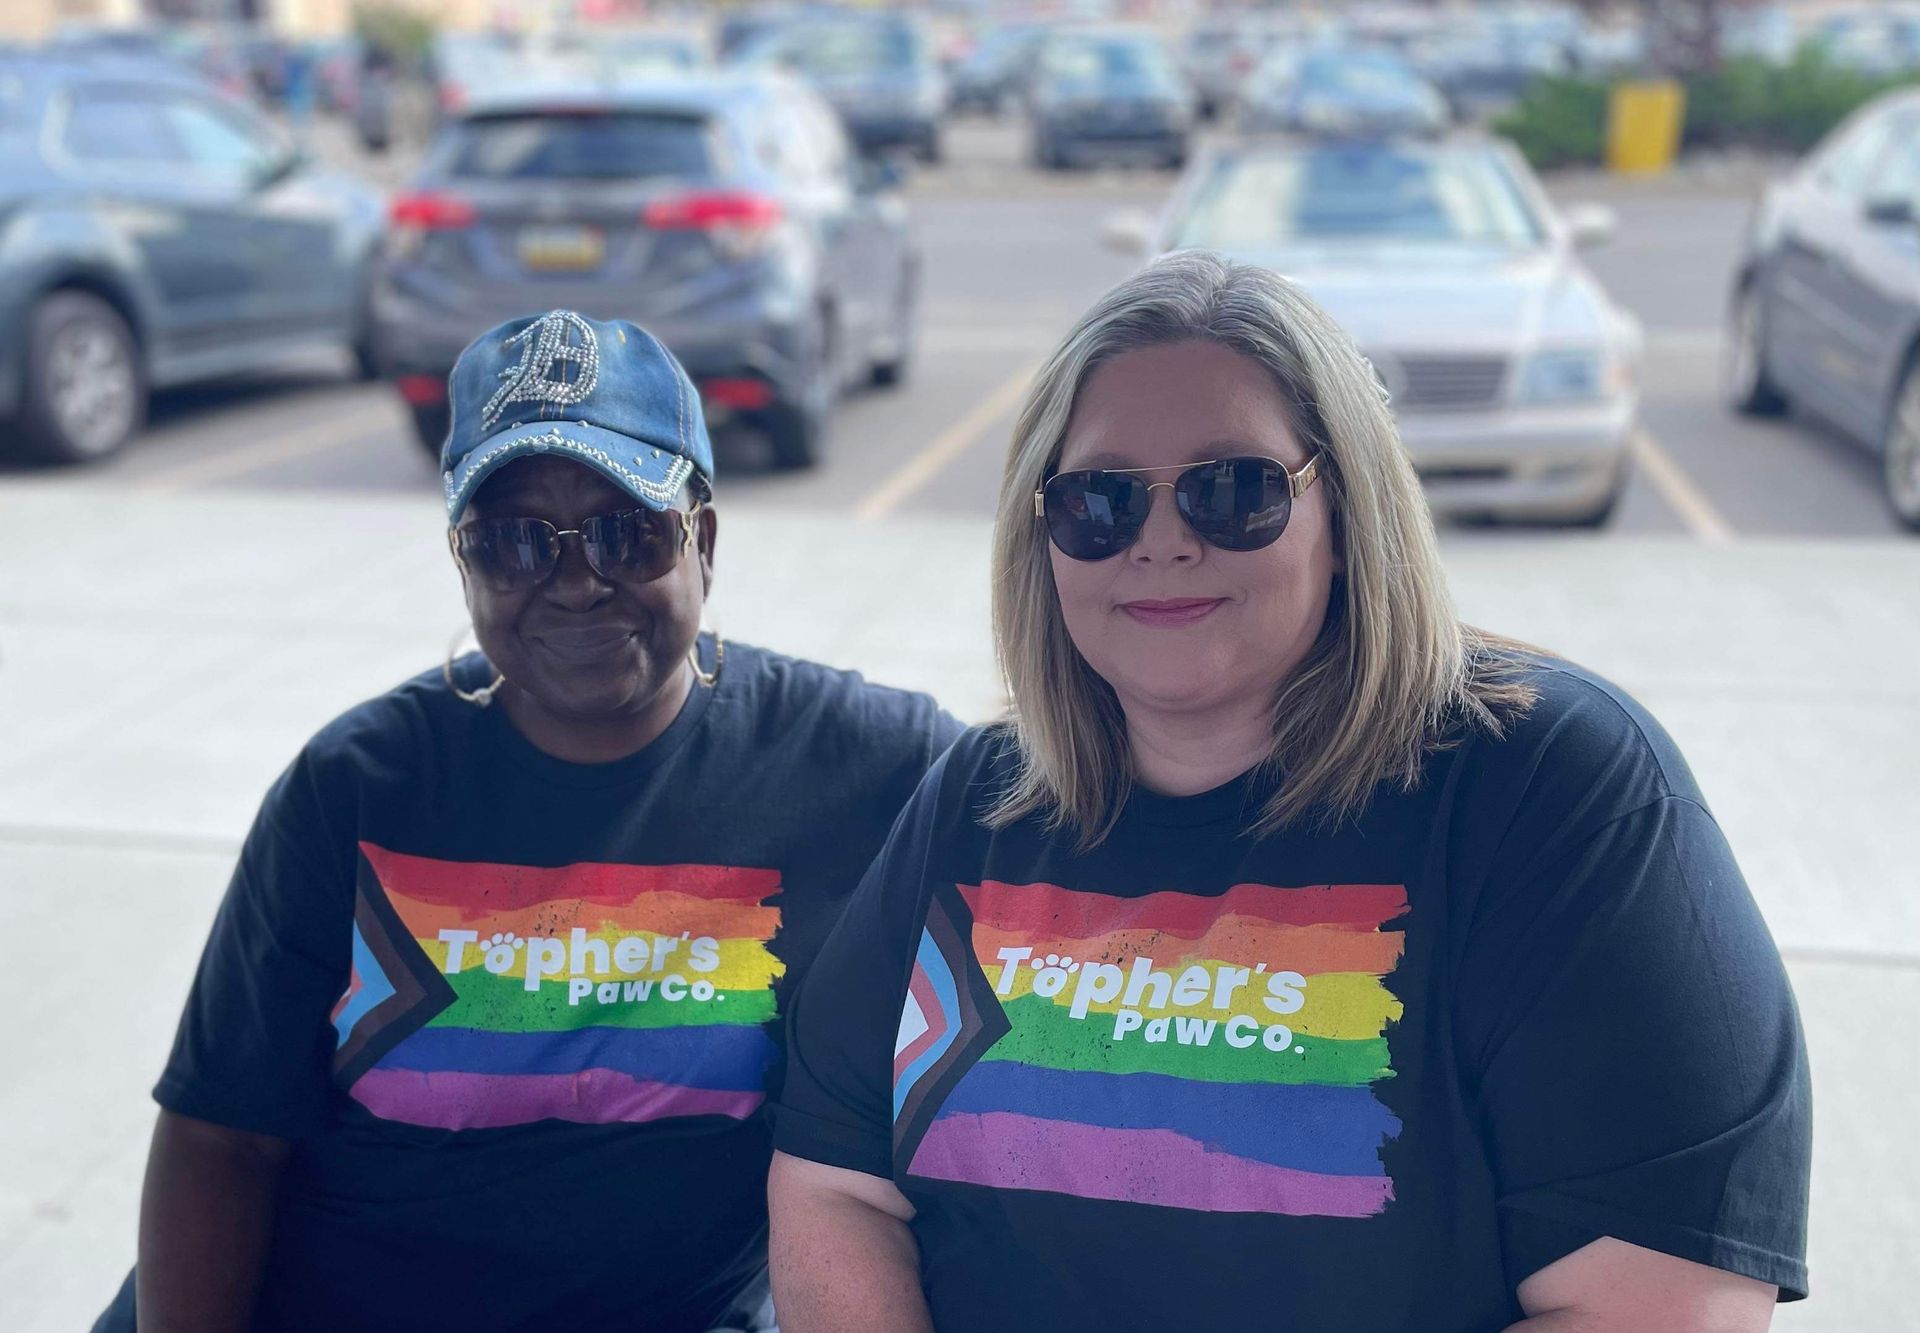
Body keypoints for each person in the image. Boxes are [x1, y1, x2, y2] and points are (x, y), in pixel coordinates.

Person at [768, 252, 1811, 1332]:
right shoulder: (982, 804)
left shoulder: (1558, 795)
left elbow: (1658, 1308)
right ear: (1044, 536)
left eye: (1235, 491)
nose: (1164, 541)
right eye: (1101, 501)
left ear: (1348, 512)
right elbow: (833, 1184)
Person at [100, 310, 961, 1331]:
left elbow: (1078, 806)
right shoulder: (358, 787)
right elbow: (220, 1138)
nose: (576, 584)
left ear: (705, 540)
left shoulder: (866, 764)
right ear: (462, 562)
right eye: (513, 544)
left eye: (625, 531)